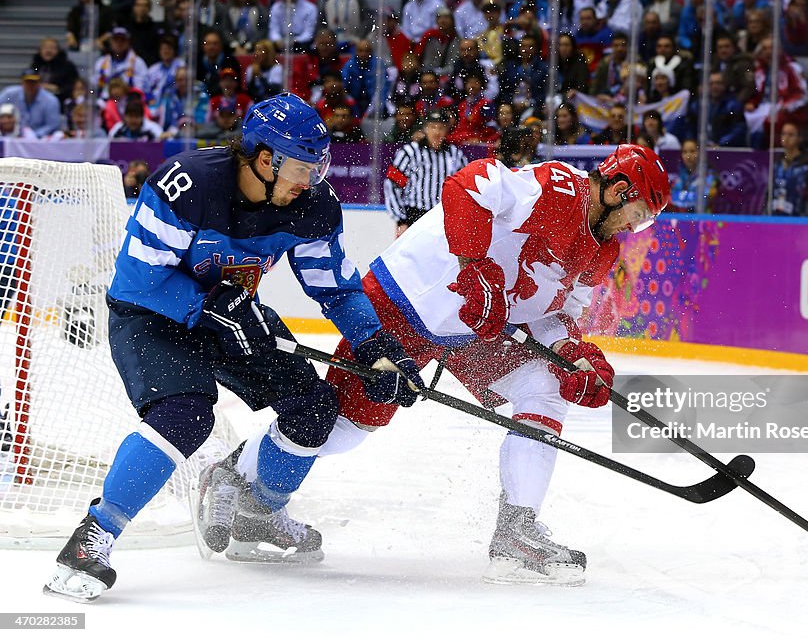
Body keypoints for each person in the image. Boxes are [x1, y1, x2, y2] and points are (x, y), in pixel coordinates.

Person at [198, 144, 671, 586]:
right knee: (341, 429)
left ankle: (516, 533)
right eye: (640, 215)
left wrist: (573, 353)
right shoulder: (553, 189)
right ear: (619, 190)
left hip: (475, 327)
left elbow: (555, 313)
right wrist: (474, 267)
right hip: (404, 302)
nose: (636, 227)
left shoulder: (603, 247)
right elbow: (467, 185)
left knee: (545, 385)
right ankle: (235, 474)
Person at [43, 93, 422, 602]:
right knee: (186, 415)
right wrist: (216, 308)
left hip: (230, 317)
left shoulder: (314, 206)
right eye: (305, 168)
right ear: (267, 159)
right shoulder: (188, 185)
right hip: (151, 318)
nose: (311, 181)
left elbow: (333, 288)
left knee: (314, 410)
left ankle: (257, 515)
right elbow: (139, 280)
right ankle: (93, 538)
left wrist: (378, 347)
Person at [384, 108, 467, 237]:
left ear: (447, 130)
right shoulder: (409, 152)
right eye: (433, 127)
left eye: (441, 128)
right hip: (414, 216)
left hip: (443, 218)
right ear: (425, 129)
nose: (436, 132)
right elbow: (392, 185)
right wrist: (401, 220)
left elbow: (464, 188)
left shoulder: (455, 155)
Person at [771, 122, 808, 216]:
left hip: (800, 220)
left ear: (799, 138)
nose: (786, 138)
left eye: (791, 135)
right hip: (776, 217)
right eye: (783, 134)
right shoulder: (777, 164)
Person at [0, 69, 63, 137]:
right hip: (11, 136)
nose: (30, 85)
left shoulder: (50, 100)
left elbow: (53, 125)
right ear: (22, 82)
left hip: (39, 140)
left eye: (33, 82)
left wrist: (34, 135)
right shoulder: (9, 94)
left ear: (39, 83)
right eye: (27, 82)